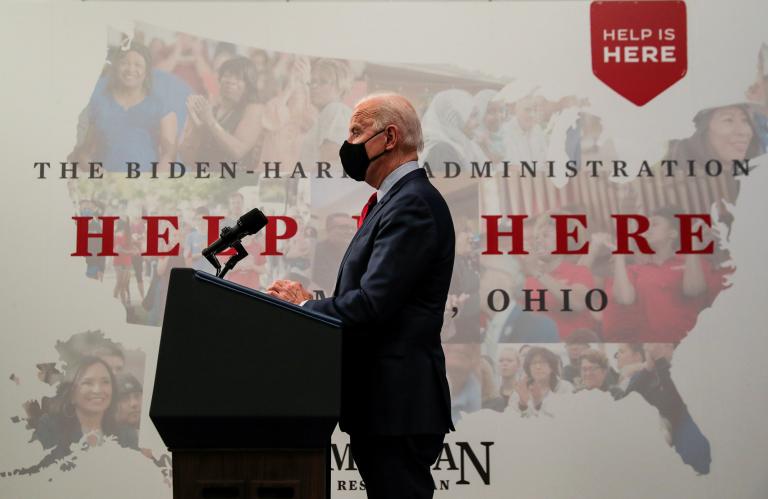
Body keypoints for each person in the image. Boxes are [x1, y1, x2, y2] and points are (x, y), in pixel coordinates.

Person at [267, 93, 454, 499]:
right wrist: (309, 302)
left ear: (389, 137)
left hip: (396, 404)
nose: (347, 143)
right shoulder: (394, 202)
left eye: (355, 131)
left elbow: (372, 305)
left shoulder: (412, 205)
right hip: (384, 403)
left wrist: (302, 307)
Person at [73, 42, 178, 172]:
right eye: (124, 63)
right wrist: (98, 174)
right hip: (105, 183)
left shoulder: (160, 104)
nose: (130, 69)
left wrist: (153, 181)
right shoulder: (99, 102)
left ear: (147, 71)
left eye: (138, 65)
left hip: (145, 184)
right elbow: (83, 153)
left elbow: (169, 154)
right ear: (116, 67)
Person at [33, 357, 135, 468]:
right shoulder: (51, 427)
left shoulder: (127, 435)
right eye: (88, 383)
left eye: (105, 382)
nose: (98, 390)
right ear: (71, 393)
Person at [507, 346, 572, 417]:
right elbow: (511, 418)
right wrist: (522, 405)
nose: (538, 367)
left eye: (543, 362)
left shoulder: (565, 387)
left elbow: (566, 416)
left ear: (551, 367)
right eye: (534, 363)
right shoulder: (521, 389)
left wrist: (538, 405)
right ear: (529, 369)